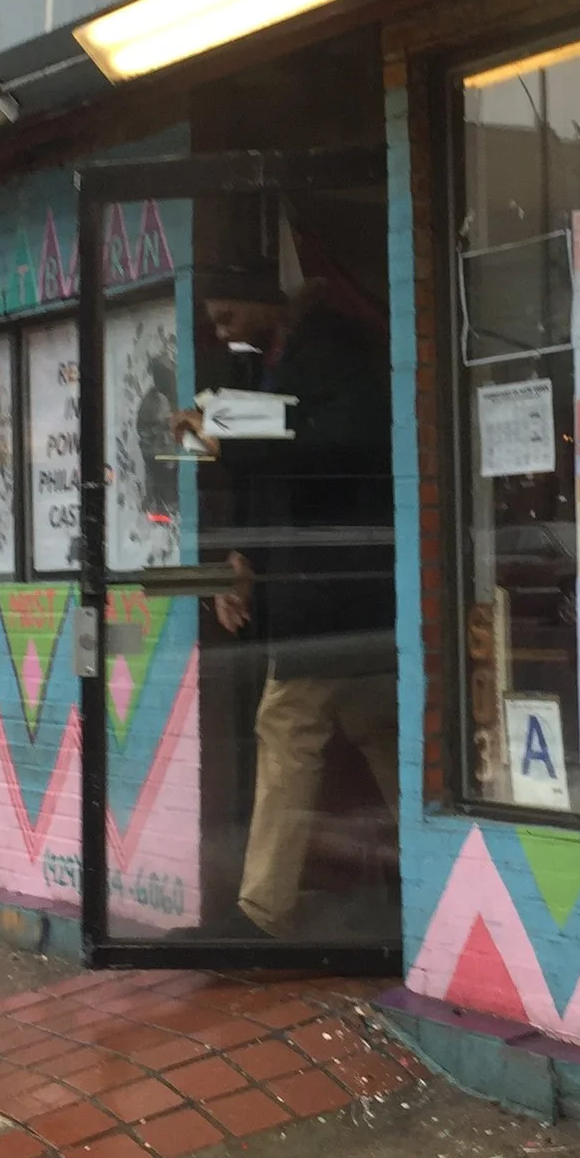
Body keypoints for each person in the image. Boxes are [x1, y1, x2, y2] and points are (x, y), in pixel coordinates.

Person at [173, 259, 395, 937]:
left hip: (334, 585)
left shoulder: (328, 354)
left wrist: (230, 442)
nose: (220, 329)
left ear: (266, 303)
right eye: (214, 320)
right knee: (379, 729)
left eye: (228, 314)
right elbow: (278, 474)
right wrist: (244, 559)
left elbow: (332, 450)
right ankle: (445, 873)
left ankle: (262, 913)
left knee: (286, 724)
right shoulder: (269, 363)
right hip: (332, 588)